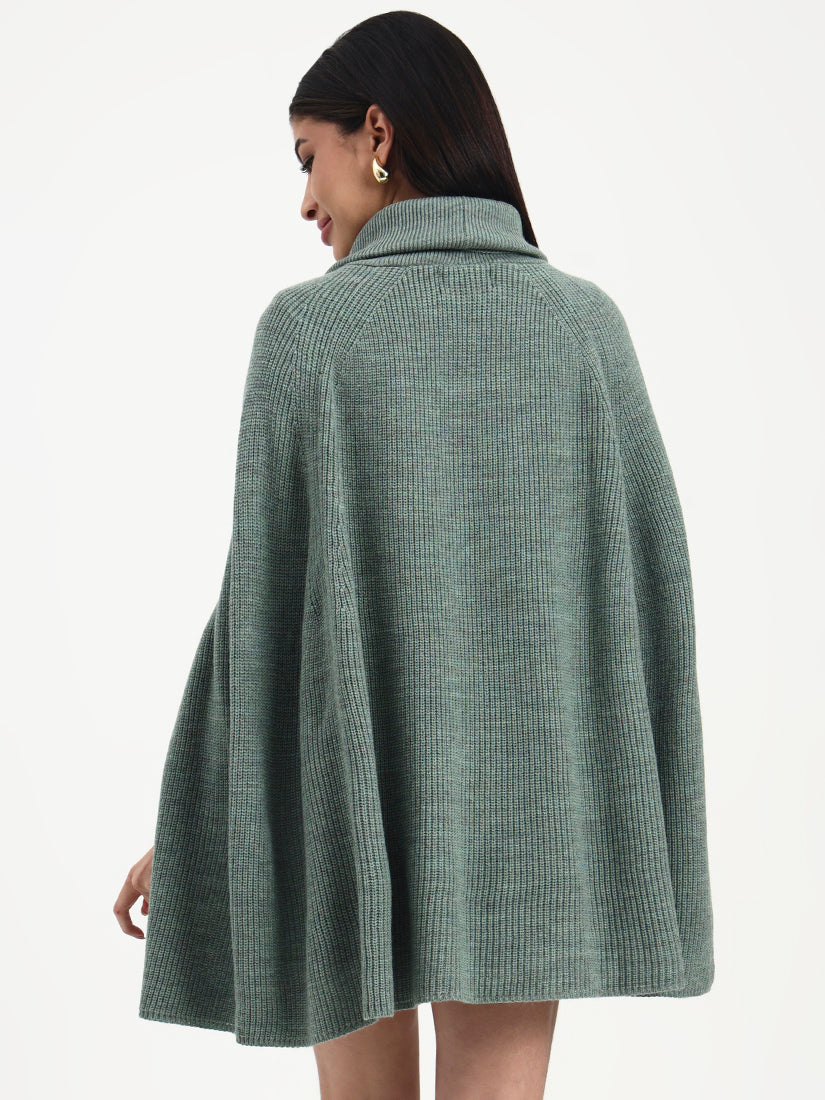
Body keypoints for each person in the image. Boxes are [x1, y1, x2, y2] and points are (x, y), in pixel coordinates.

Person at [114, 10, 713, 1099]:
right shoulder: (587, 328)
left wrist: (205, 821)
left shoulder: (309, 331)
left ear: (377, 132)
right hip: (537, 813)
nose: (305, 199)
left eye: (309, 157)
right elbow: (649, 594)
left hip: (347, 803)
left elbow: (261, 615)